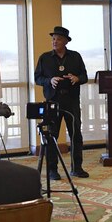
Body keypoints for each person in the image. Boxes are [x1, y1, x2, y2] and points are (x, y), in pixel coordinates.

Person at [34, 25, 89, 180]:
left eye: (58, 39)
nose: (54, 41)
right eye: (53, 39)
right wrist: (49, 80)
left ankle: (77, 168)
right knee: (52, 135)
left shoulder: (75, 57)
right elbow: (37, 78)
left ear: (65, 41)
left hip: (71, 100)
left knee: (76, 134)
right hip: (53, 101)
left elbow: (84, 75)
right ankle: (53, 170)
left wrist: (77, 78)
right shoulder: (45, 58)